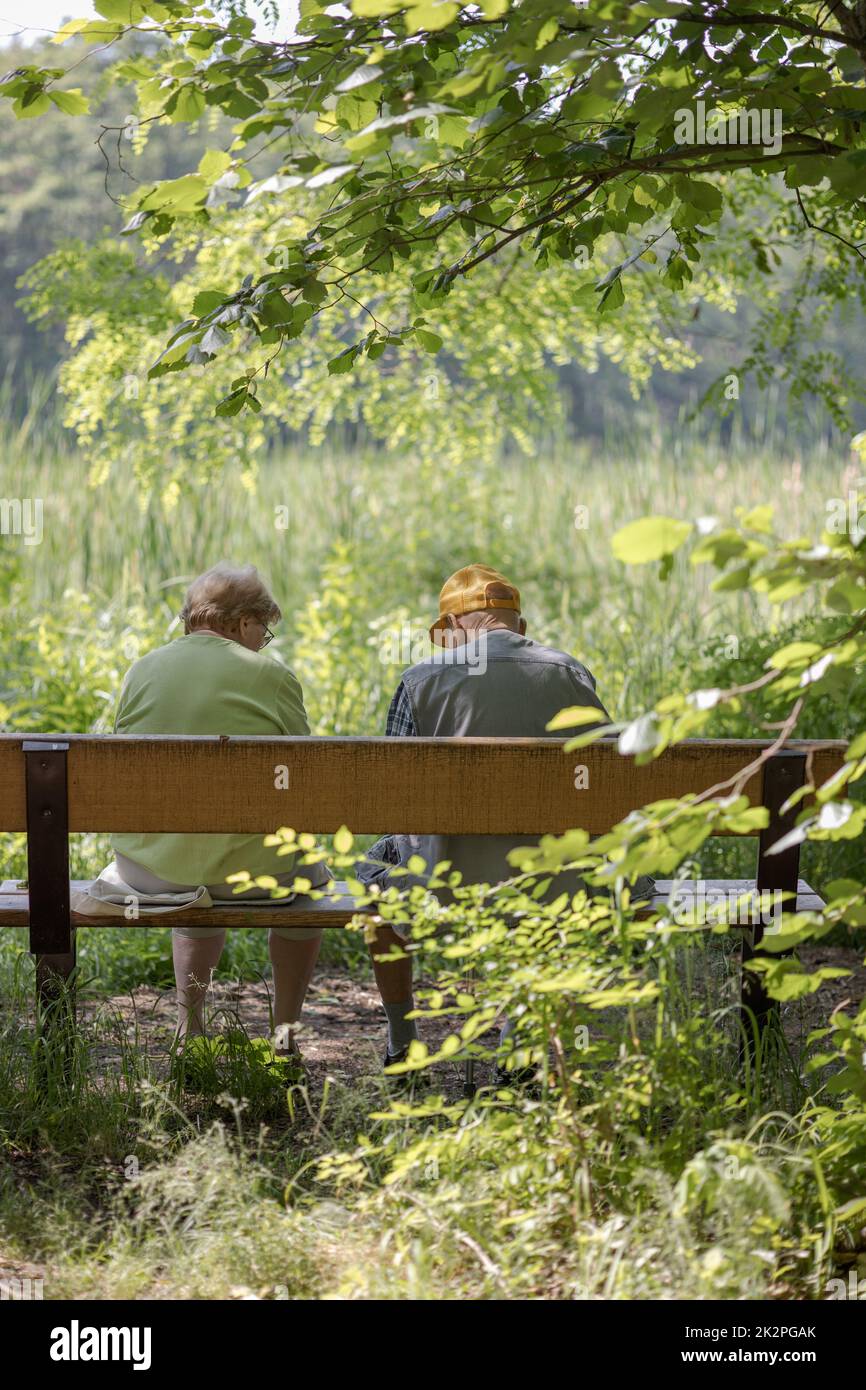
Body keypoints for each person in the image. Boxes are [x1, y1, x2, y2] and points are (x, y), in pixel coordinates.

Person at [358, 562, 651, 1068]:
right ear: (519, 627)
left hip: (443, 887)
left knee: (371, 878)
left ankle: (403, 1044)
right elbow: (607, 788)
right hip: (560, 885)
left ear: (451, 628)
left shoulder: (420, 679)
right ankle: (518, 1051)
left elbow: (395, 796)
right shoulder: (571, 673)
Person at [108, 562, 329, 1052]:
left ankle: (191, 1027)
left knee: (194, 851)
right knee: (310, 886)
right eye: (264, 631)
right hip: (251, 873)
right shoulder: (270, 675)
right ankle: (284, 1036)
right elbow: (306, 774)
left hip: (147, 871)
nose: (262, 642)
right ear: (245, 623)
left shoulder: (143, 669)